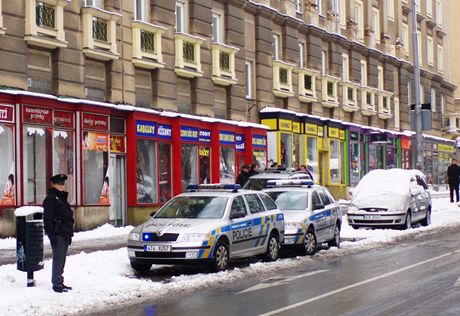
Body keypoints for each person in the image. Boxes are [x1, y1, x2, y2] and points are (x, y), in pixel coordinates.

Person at [43, 174, 74, 293]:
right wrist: (51, 235)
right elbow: (47, 219)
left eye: (63, 184)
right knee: (58, 258)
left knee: (62, 259)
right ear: (54, 184)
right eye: (59, 184)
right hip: (57, 233)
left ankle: (60, 281)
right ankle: (56, 284)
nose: (61, 186)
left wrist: (70, 233)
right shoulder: (51, 199)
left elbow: (68, 216)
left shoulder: (61, 198)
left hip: (65, 232)